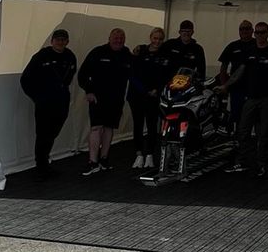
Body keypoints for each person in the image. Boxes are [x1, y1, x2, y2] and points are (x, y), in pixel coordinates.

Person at [223, 21, 268, 177]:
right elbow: (239, 72)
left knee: (264, 132)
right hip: (251, 97)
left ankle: (261, 164)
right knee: (243, 130)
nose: (259, 35)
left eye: (262, 32)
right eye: (257, 33)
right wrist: (226, 85)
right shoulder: (250, 52)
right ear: (254, 34)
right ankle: (243, 161)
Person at [19, 28, 77, 175]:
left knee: (53, 132)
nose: (60, 42)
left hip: (61, 102)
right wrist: (37, 97)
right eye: (57, 39)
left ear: (67, 41)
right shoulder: (42, 56)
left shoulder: (70, 56)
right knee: (43, 134)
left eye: (63, 39)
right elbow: (25, 79)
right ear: (52, 41)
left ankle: (45, 162)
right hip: (45, 103)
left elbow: (70, 75)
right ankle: (40, 166)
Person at [76, 27, 132, 175]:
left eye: (121, 38)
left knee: (109, 128)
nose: (118, 40)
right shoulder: (98, 52)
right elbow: (82, 74)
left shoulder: (127, 54)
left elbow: (135, 74)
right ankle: (92, 162)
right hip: (97, 98)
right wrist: (89, 91)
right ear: (109, 38)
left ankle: (104, 159)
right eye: (115, 37)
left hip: (116, 99)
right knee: (96, 128)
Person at [129, 27, 172, 169]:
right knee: (138, 125)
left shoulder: (165, 55)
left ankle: (150, 155)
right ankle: (139, 154)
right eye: (155, 38)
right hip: (137, 95)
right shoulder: (140, 51)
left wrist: (157, 90)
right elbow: (133, 74)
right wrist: (145, 90)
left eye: (160, 39)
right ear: (150, 37)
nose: (157, 41)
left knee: (152, 125)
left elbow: (167, 76)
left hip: (154, 96)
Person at [218, 20, 255, 130]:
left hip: (253, 88)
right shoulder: (233, 46)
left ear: (252, 31)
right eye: (241, 29)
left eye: (247, 28)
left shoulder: (256, 45)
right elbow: (223, 66)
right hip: (236, 88)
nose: (244, 31)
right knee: (236, 115)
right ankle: (237, 139)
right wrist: (224, 85)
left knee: (253, 116)